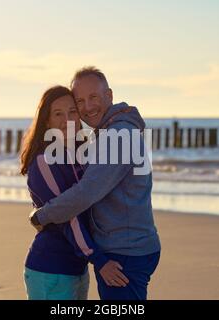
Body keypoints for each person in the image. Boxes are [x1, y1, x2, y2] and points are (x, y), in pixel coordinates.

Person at [30, 67, 161, 300]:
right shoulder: (108, 133)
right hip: (125, 246)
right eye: (80, 101)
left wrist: (43, 215)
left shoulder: (117, 135)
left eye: (93, 97)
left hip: (124, 251)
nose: (87, 107)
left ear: (108, 96)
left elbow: (86, 192)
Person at [20, 85, 127, 300]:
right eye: (58, 114)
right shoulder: (44, 160)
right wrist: (99, 260)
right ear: (46, 121)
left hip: (77, 269)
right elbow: (67, 215)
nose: (67, 120)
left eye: (72, 112)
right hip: (50, 270)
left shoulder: (79, 157)